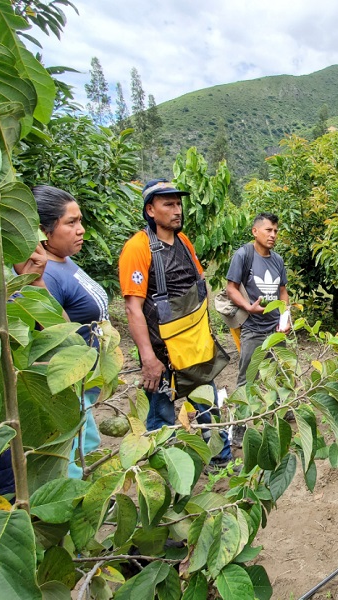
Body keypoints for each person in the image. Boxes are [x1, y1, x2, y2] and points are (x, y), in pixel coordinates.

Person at [119, 178, 232, 466]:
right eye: (168, 204)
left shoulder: (183, 242)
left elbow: (199, 284)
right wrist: (148, 359)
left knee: (207, 406)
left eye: (178, 203)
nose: (177, 210)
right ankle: (165, 472)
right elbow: (133, 309)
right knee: (161, 418)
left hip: (194, 349)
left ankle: (220, 460)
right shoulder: (138, 248)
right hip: (161, 354)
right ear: (150, 210)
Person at [15, 185, 108, 478]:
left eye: (79, 221)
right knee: (71, 461)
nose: (80, 230)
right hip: (68, 388)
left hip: (83, 382)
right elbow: (52, 334)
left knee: (85, 452)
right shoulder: (46, 275)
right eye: (71, 223)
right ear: (44, 231)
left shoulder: (64, 262)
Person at [225, 213, 290, 447]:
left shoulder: (278, 260)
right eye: (268, 230)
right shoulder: (244, 255)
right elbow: (231, 288)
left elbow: (282, 291)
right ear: (255, 231)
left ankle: (282, 410)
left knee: (281, 371)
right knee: (247, 378)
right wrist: (247, 307)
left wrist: (285, 316)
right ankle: (240, 427)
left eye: (275, 231)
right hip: (253, 328)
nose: (273, 235)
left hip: (274, 328)